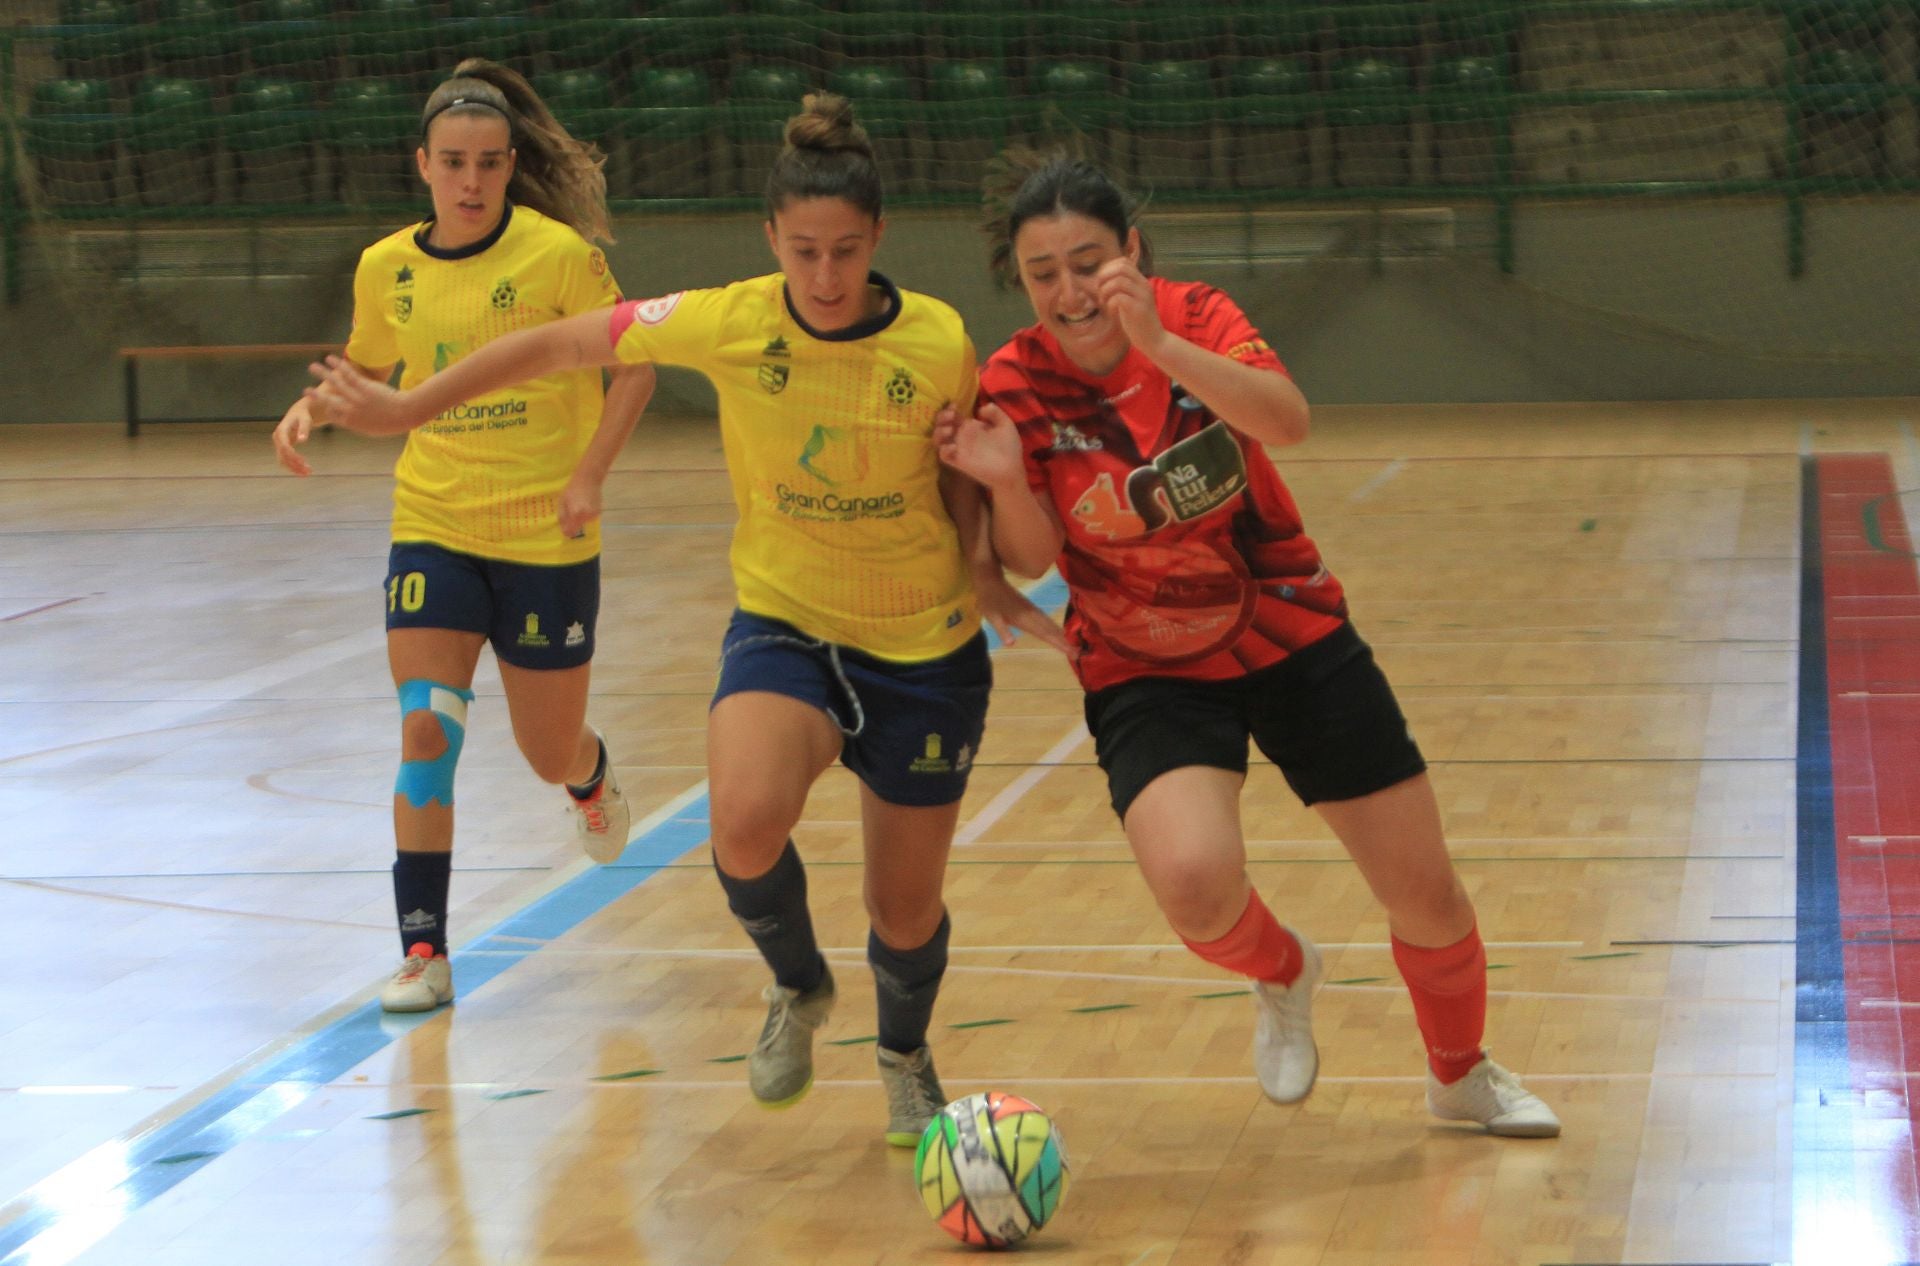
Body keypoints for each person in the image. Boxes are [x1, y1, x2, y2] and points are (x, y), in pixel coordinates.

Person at [306, 93, 1064, 1143]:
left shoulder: (937, 343)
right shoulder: (729, 319)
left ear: (878, 238)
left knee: (903, 910)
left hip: (920, 652)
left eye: (846, 251)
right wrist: (402, 409)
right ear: (771, 241)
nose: (827, 276)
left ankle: (903, 1055)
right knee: (743, 825)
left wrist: (984, 565)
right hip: (787, 625)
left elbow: (967, 496)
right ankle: (798, 989)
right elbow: (551, 346)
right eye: (804, 251)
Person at [936, 150, 1561, 1137]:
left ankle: (1459, 1076)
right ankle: (1285, 970)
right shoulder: (1014, 380)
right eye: (1043, 270)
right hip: (1142, 663)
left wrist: (1161, 348)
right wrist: (1008, 481)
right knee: (1192, 885)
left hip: (1291, 627)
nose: (1068, 289)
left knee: (1426, 893)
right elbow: (1032, 554)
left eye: (1088, 261)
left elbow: (1290, 422)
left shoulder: (1197, 316)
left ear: (1131, 251)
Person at [272, 59, 655, 1014]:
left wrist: (589, 473)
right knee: (425, 728)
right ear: (424, 167)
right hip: (435, 526)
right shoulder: (385, 267)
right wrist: (308, 411)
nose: (472, 181)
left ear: (510, 162)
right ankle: (425, 951)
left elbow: (637, 368)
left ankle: (590, 775)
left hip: (544, 538)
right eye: (453, 163)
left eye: (488, 163)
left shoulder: (560, 254)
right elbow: (365, 372)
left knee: (546, 747)